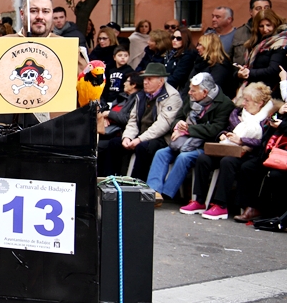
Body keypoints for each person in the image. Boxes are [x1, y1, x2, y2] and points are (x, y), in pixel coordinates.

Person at [183, 82, 274, 220]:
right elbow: (224, 128)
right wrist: (223, 134)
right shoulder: (237, 114)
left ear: (259, 103)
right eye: (243, 99)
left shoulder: (266, 119)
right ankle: (199, 200)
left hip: (250, 154)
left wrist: (242, 140)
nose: (243, 103)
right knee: (203, 158)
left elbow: (263, 142)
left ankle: (221, 205)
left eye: (247, 100)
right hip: (228, 147)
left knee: (228, 162)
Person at [146, 72, 233, 207]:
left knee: (184, 157)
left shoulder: (225, 104)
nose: (189, 93)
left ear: (205, 92)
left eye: (193, 90)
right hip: (182, 140)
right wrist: (177, 125)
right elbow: (178, 117)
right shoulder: (192, 98)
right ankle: (153, 191)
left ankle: (164, 195)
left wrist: (188, 130)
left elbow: (215, 129)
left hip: (203, 145)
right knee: (161, 153)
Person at [101, 62, 183, 180]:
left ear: (161, 81)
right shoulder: (141, 95)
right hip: (140, 135)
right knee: (115, 143)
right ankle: (109, 180)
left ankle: (137, 185)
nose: (145, 82)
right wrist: (127, 137)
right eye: (145, 79)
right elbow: (133, 120)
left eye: (149, 79)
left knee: (143, 147)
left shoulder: (172, 97)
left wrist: (139, 139)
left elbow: (162, 125)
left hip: (161, 138)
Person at [237, 9, 287, 100]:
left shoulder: (281, 42)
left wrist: (250, 73)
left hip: (270, 93)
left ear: (275, 23)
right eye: (261, 26)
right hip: (253, 90)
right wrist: (240, 73)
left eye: (268, 25)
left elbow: (274, 69)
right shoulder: (256, 43)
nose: (265, 29)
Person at [189, 32, 236, 98]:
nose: (197, 48)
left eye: (200, 45)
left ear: (209, 47)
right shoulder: (200, 62)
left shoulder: (221, 67)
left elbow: (212, 90)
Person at [232, 0, 271, 66]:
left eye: (266, 8)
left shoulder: (279, 31)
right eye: (258, 9)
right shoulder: (239, 33)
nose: (263, 11)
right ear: (251, 12)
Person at [165, 26, 198, 92]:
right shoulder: (172, 52)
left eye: (178, 38)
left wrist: (161, 84)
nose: (174, 40)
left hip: (181, 89)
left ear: (185, 39)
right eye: (173, 37)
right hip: (170, 86)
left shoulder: (189, 54)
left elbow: (178, 77)